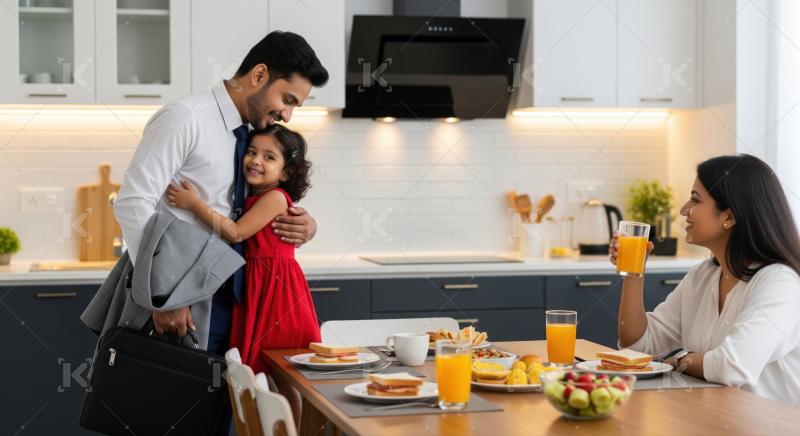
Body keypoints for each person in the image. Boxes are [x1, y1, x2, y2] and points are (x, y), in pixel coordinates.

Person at [113, 31, 328, 356]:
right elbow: (133, 202)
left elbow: (262, 202)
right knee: (176, 403)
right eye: (287, 100)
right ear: (259, 75)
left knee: (232, 405)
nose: (287, 116)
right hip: (184, 300)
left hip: (241, 306)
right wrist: (164, 294)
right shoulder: (186, 118)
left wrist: (305, 223)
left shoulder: (256, 136)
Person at [610, 154, 800, 405]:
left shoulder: (779, 284)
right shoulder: (703, 275)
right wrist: (634, 270)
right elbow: (638, 347)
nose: (683, 210)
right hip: (715, 420)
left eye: (695, 200)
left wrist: (679, 360)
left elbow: (732, 365)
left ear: (729, 217)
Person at [167, 124, 318, 425]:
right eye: (251, 152)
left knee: (284, 376)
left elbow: (235, 232)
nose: (256, 160)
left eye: (269, 157)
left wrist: (194, 204)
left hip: (277, 291)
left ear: (287, 172)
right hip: (261, 287)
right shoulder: (255, 195)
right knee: (269, 374)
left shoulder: (274, 198)